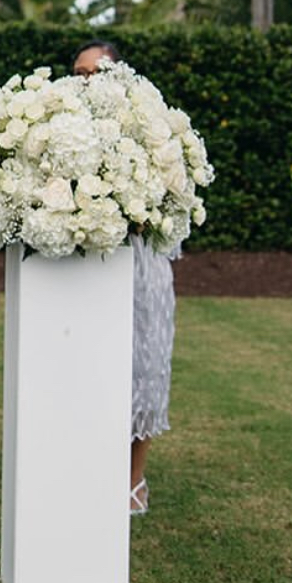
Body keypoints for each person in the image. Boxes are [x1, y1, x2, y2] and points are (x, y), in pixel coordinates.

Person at [72, 40, 180, 516]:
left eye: (96, 72)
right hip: (81, 265)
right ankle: (86, 466)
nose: (86, 82)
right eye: (79, 73)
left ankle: (134, 478)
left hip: (138, 264)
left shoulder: (146, 125)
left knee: (142, 366)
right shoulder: (62, 128)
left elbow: (169, 200)